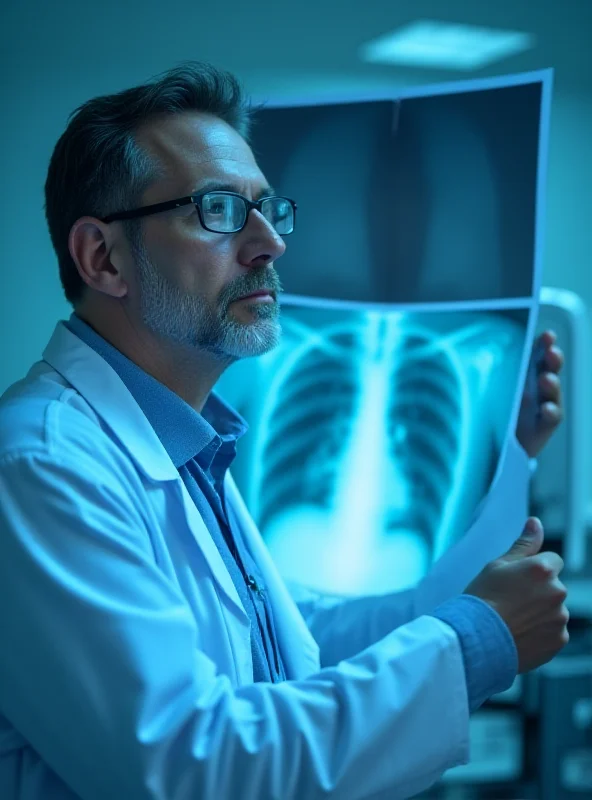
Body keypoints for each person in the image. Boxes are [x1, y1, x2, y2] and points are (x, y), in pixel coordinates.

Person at [0, 63, 568, 800]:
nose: (270, 243)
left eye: (269, 210)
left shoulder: (190, 451)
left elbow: (298, 642)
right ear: (103, 258)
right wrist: (477, 641)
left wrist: (510, 457)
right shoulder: (40, 465)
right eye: (219, 211)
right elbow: (190, 766)